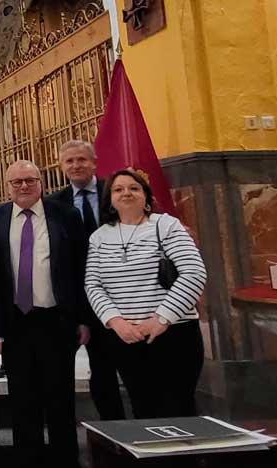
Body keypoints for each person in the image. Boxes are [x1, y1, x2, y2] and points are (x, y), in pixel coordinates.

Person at [0, 160, 89, 468]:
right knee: (22, 402)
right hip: (16, 323)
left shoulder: (66, 216)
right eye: (16, 182)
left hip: (56, 321)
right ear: (6, 186)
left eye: (30, 180)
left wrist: (82, 318)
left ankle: (65, 461)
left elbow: (79, 269)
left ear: (41, 183)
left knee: (60, 401)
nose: (24, 186)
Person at [86, 169, 207, 419]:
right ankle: (153, 459)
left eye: (134, 188)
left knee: (178, 409)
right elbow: (93, 284)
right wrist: (116, 322)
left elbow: (193, 273)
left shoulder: (165, 225)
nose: (126, 193)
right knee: (143, 408)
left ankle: (184, 457)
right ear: (109, 199)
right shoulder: (99, 237)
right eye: (118, 189)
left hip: (174, 335)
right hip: (126, 337)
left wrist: (161, 319)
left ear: (146, 195)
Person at [53, 140, 126, 421]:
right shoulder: (55, 203)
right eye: (69, 161)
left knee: (126, 366)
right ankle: (112, 429)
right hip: (76, 299)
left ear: (94, 162)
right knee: (100, 372)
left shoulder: (117, 192)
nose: (76, 166)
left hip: (119, 294)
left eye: (81, 160)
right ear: (62, 166)